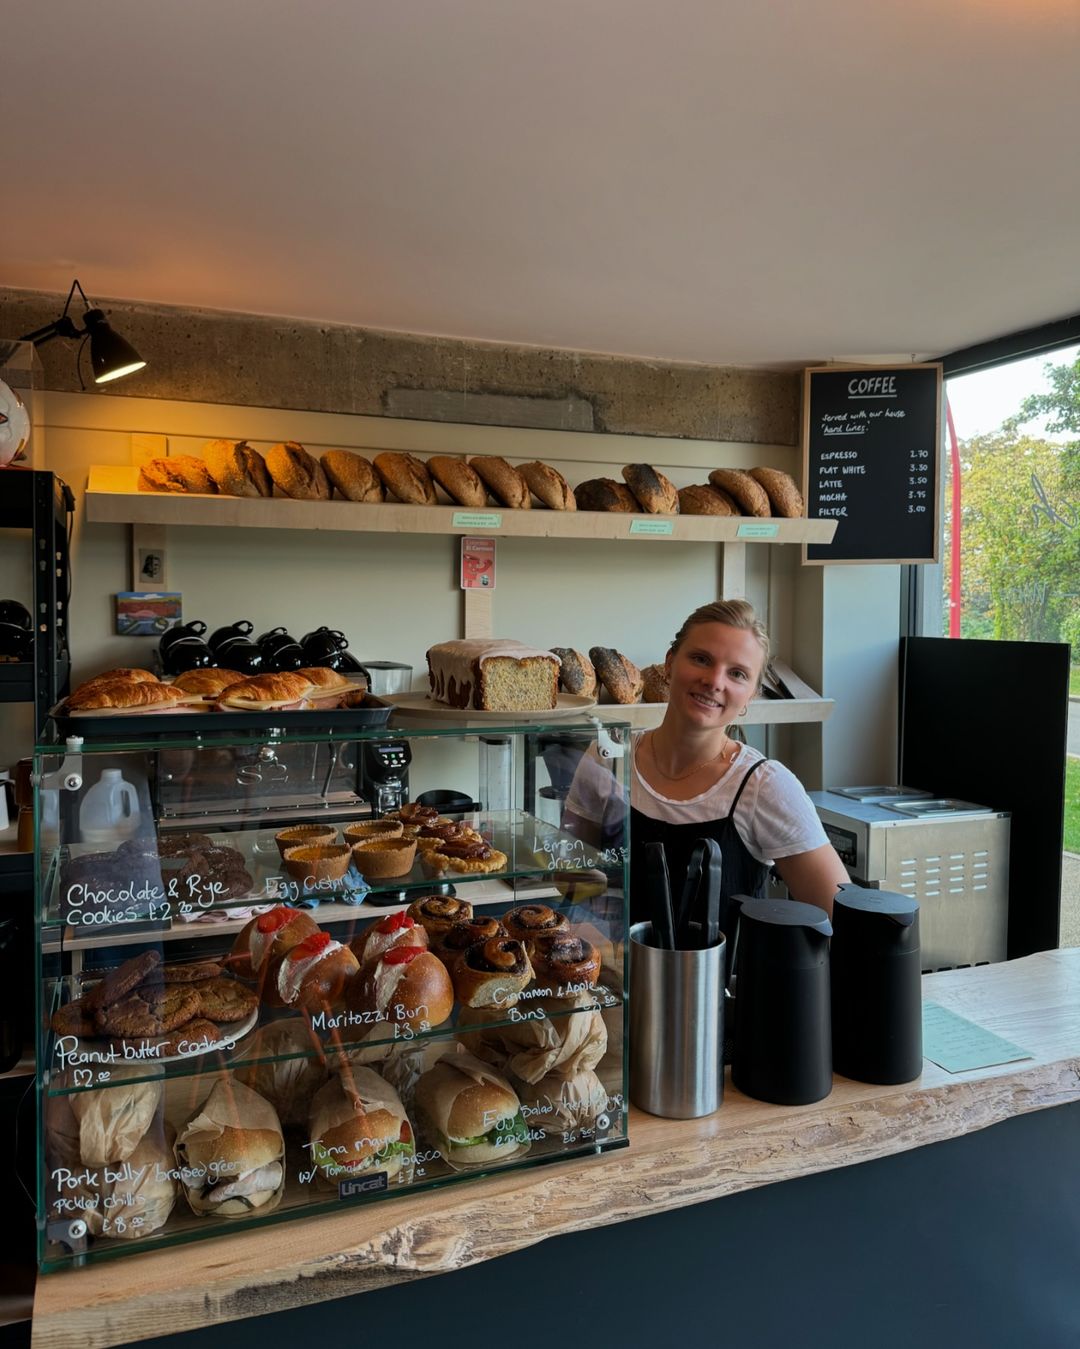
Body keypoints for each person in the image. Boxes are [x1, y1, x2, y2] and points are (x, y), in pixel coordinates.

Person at [562, 599, 848, 925]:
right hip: (620, 975)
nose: (714, 681)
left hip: (725, 977)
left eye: (737, 673)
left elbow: (838, 916)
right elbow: (570, 878)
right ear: (669, 663)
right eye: (701, 659)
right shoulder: (608, 757)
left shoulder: (763, 785)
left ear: (751, 695)